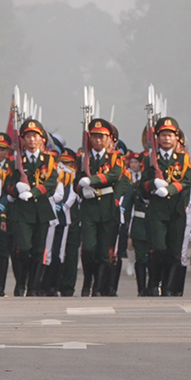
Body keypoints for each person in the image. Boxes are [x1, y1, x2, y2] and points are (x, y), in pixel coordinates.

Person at [72, 117, 131, 297]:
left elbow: (115, 176)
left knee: (105, 251)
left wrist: (92, 180)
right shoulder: (83, 158)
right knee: (88, 248)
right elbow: (76, 182)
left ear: (108, 139)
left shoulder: (115, 157)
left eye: (101, 137)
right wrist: (82, 190)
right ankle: (88, 280)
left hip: (107, 208)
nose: (98, 140)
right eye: (95, 137)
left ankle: (98, 286)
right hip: (89, 209)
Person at [138, 116, 191, 297]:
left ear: (176, 138)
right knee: (158, 248)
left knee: (174, 252)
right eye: (163, 134)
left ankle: (169, 287)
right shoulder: (149, 159)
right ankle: (154, 282)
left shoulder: (183, 159)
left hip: (176, 211)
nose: (166, 138)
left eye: (170, 135)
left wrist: (170, 189)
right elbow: (142, 186)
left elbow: (186, 181)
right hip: (157, 211)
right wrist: (154, 184)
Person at [1, 118, 60, 297]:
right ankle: (21, 282)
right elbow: (7, 185)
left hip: (41, 210)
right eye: (28, 136)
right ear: (23, 140)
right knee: (23, 248)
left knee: (38, 250)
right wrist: (16, 189)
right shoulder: (14, 161)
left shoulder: (49, 160)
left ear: (42, 139)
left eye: (35, 136)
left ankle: (34, 286)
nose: (32, 140)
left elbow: (51, 182)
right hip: (21, 211)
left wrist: (33, 192)